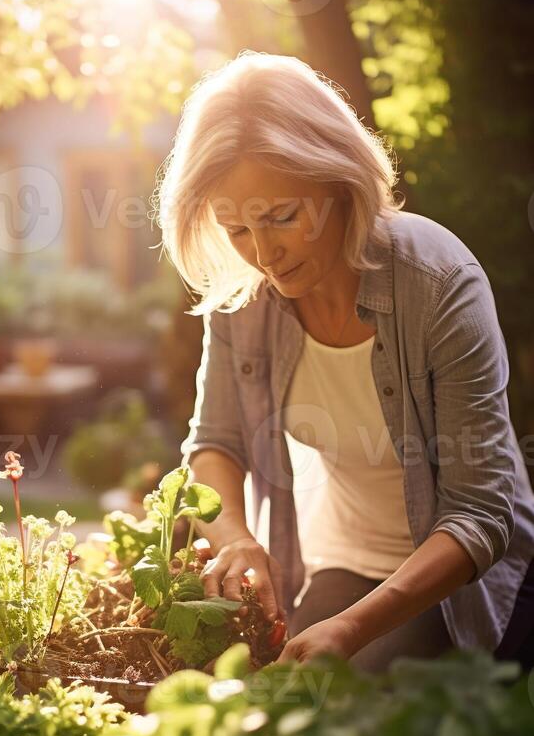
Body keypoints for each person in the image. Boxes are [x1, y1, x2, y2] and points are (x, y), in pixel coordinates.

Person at [153, 50, 534, 671]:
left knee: (353, 723)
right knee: (275, 716)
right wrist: (236, 538)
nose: (264, 254)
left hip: (459, 581)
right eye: (238, 229)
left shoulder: (439, 282)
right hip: (343, 562)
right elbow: (215, 443)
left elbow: (480, 514)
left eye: (282, 217)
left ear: (338, 178)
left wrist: (350, 630)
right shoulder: (243, 295)